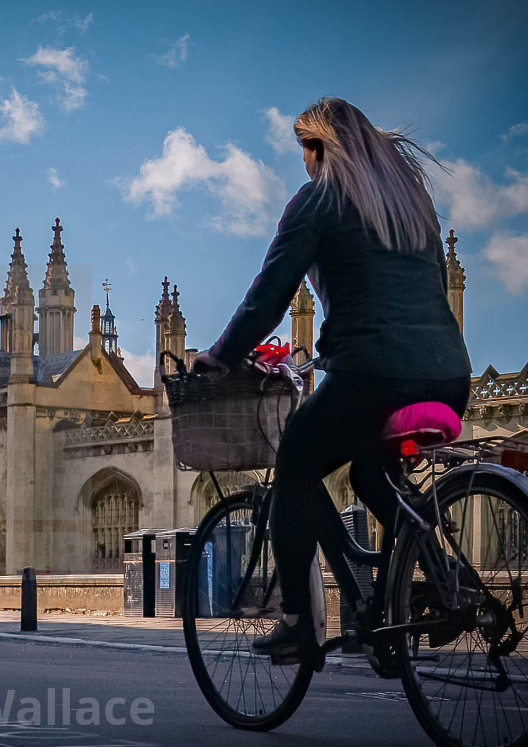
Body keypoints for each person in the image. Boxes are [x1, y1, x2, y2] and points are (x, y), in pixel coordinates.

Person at [193, 97, 470, 660]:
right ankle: (433, 589)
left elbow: (269, 296)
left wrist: (220, 357)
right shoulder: (412, 206)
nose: (303, 162)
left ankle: (299, 622)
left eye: (305, 149)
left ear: (321, 148)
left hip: (374, 375)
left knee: (295, 460)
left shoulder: (317, 202)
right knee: (372, 476)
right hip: (449, 374)